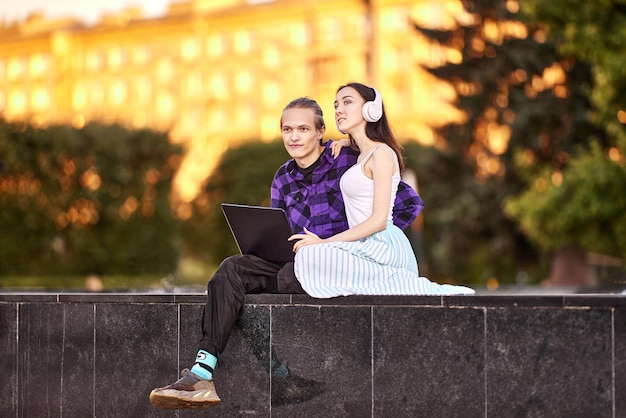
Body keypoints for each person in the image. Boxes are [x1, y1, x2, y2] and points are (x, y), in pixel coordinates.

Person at [149, 96, 424, 410]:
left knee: (278, 278)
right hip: (294, 265)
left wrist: (366, 248)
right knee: (232, 270)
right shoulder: (282, 177)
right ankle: (202, 372)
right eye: (287, 129)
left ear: (321, 131)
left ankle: (281, 376)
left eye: (303, 128)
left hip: (339, 264)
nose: (294, 136)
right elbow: (279, 231)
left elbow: (405, 205)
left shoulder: (347, 160)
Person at [290, 82, 475, 298]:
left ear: (371, 109)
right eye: (336, 105)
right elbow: (363, 148)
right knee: (306, 256)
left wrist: (324, 243)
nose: (339, 109)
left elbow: (378, 221)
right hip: (364, 246)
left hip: (382, 245)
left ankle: (411, 285)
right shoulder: (362, 154)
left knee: (311, 255)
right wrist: (346, 142)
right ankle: (388, 283)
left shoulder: (382, 154)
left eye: (347, 102)